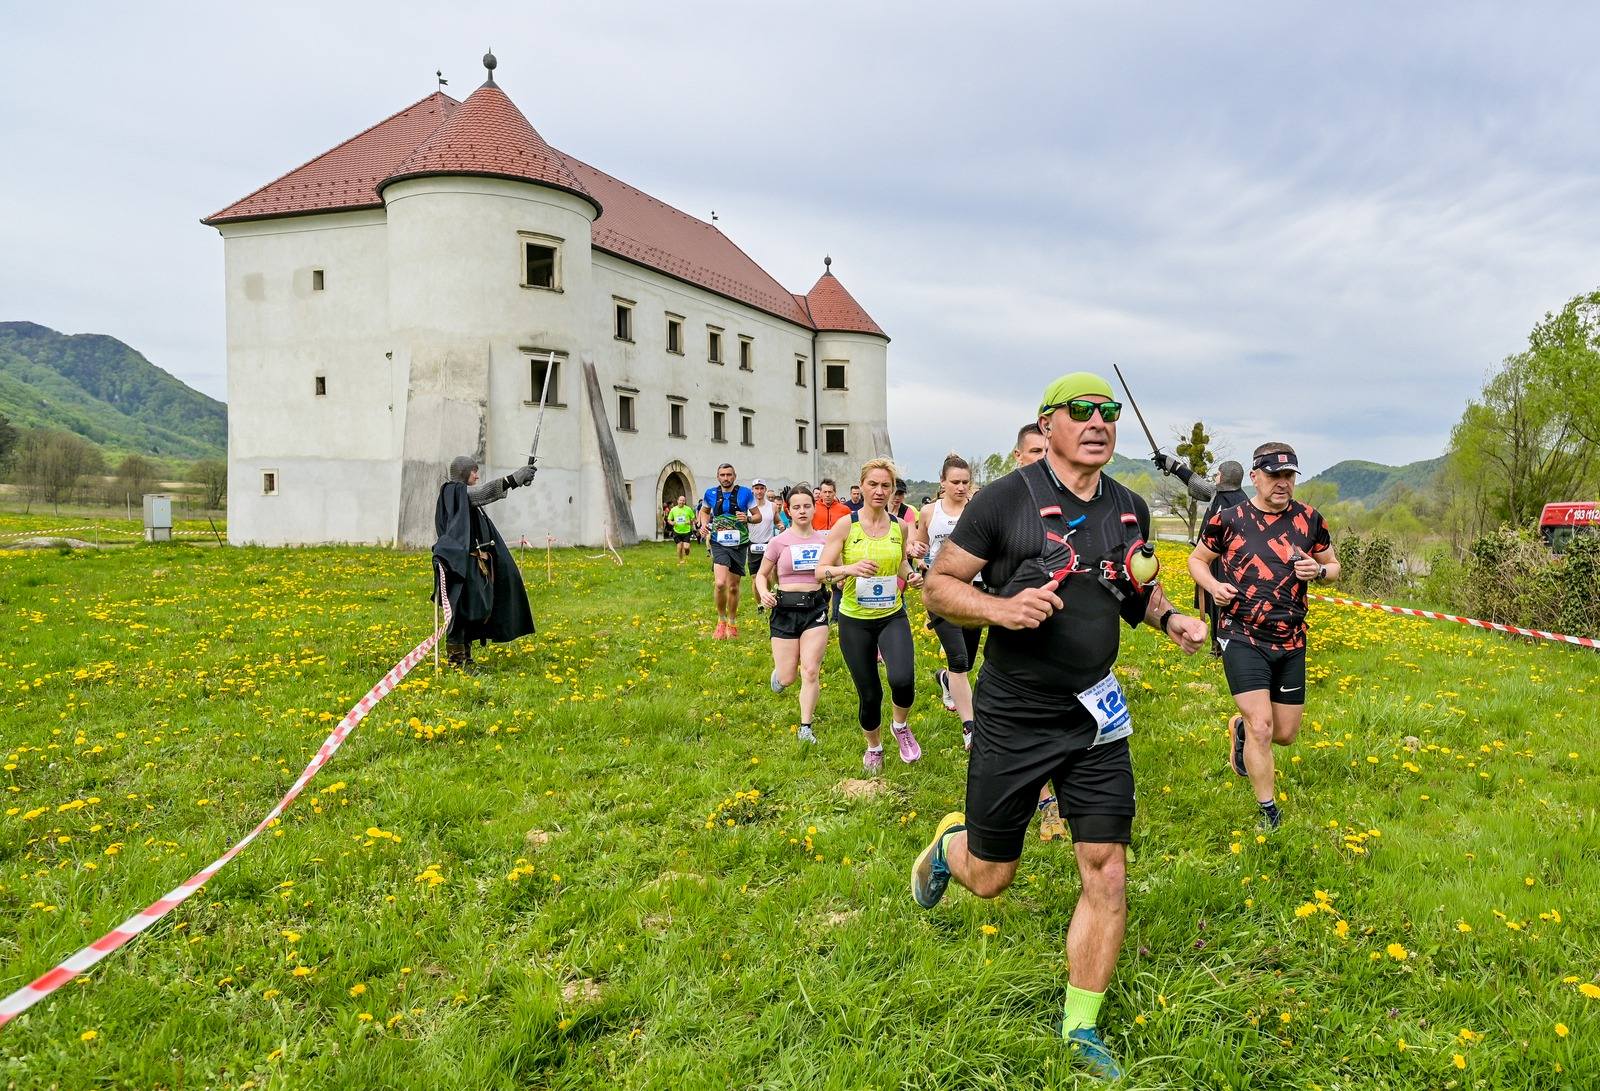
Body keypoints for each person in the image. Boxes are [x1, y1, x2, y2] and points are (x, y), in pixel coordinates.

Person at [911, 372, 1207, 1081]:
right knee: (993, 876)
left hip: (1095, 711)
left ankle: (1080, 1025)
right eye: (1083, 412)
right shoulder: (1004, 501)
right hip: (1015, 710)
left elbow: (1136, 585)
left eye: (1108, 412)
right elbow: (939, 585)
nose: (1100, 422)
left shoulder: (1129, 507)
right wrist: (1002, 610)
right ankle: (951, 848)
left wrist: (1170, 619)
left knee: (1107, 868)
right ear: (1048, 426)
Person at [1186, 443, 1340, 830]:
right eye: (1274, 475)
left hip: (1290, 639)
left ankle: (1238, 730)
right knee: (1262, 726)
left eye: (1289, 476)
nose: (1283, 483)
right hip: (1242, 635)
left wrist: (1317, 573)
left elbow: (1334, 566)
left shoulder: (1310, 520)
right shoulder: (1230, 518)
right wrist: (1213, 587)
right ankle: (1268, 811)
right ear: (1255, 477)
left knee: (1285, 734)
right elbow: (1197, 560)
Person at [817, 458, 925, 775]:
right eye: (873, 484)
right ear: (862, 486)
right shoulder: (845, 525)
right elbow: (820, 570)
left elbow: (902, 564)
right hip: (854, 620)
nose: (879, 491)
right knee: (870, 693)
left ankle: (900, 726)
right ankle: (874, 747)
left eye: (886, 486)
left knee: (903, 681)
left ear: (893, 489)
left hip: (892, 614)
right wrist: (848, 568)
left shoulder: (899, 526)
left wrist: (912, 575)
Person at [1013, 422, 1069, 842]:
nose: (1042, 458)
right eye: (1034, 452)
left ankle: (1057, 800)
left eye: (1046, 450)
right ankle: (1043, 799)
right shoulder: (1004, 503)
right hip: (1015, 647)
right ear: (1019, 456)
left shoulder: (1071, 506)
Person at [431, 455, 539, 670]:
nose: (477, 475)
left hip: (471, 563)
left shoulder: (461, 496)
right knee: (460, 612)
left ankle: (467, 659)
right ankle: (457, 662)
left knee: (473, 609)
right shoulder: (453, 491)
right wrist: (514, 479)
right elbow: (481, 493)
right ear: (464, 473)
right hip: (458, 565)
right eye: (474, 471)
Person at [913, 454, 982, 751]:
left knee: (966, 658)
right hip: (941, 589)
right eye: (955, 482)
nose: (961, 487)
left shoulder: (978, 510)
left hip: (975, 590)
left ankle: (945, 680)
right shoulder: (930, 512)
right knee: (959, 659)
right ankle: (970, 727)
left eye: (966, 482)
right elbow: (918, 548)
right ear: (942, 482)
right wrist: (917, 558)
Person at [756, 484, 830, 744]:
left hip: (815, 608)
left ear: (814, 508)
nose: (802, 511)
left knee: (810, 671)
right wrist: (764, 592)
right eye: (796, 507)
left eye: (807, 506)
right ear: (788, 510)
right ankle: (780, 674)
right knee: (788, 677)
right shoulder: (779, 542)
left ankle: (805, 727)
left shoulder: (824, 541)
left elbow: (835, 570)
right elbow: (761, 575)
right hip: (784, 611)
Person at [1180, 461, 1247, 653]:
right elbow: (1195, 483)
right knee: (1211, 603)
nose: (1215, 477)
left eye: (1217, 474)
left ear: (1224, 477)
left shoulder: (1241, 503)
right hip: (1209, 560)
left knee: (1223, 603)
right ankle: (1215, 643)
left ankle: (1223, 644)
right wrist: (1173, 466)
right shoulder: (1217, 494)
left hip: (1227, 565)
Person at [696, 463, 763, 639]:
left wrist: (747, 518)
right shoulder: (710, 493)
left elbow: (758, 516)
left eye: (729, 475)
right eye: (722, 475)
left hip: (739, 543)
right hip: (719, 542)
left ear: (734, 476)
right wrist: (703, 524)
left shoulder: (746, 493)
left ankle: (732, 623)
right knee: (720, 583)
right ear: (718, 477)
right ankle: (721, 620)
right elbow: (704, 511)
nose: (726, 478)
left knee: (733, 587)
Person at [747, 479, 780, 612]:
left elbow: (777, 521)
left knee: (769, 575)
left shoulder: (772, 506)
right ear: (753, 490)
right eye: (756, 488)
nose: (759, 491)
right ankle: (760, 604)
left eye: (761, 488)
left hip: (769, 544)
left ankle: (771, 599)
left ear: (765, 490)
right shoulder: (747, 506)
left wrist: (781, 525)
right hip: (753, 544)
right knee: (756, 578)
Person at [667, 494, 697, 565]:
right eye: (680, 500)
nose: (682, 502)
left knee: (686, 548)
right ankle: (681, 561)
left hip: (686, 531)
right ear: (677, 501)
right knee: (679, 546)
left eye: (683, 500)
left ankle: (687, 551)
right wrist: (672, 523)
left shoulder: (688, 509)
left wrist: (690, 522)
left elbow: (694, 519)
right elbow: (669, 519)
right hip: (677, 531)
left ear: (685, 502)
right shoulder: (673, 509)